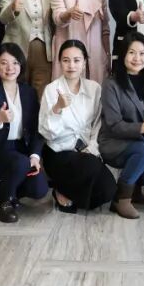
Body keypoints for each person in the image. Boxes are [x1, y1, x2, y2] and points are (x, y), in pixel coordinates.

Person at [0, 43, 49, 223]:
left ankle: (4, 190)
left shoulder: (29, 92)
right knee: (20, 162)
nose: (10, 68)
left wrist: (35, 156)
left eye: (15, 63)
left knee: (39, 188)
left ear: (21, 65)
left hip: (21, 150)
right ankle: (3, 202)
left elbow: (36, 129)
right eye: (4, 63)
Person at [38, 40, 116, 213]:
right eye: (66, 60)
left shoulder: (94, 88)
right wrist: (57, 108)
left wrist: (92, 148)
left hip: (86, 152)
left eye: (76, 60)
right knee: (91, 166)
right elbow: (48, 134)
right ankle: (62, 187)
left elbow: (98, 125)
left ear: (84, 63)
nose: (71, 65)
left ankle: (64, 191)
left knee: (108, 190)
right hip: (58, 153)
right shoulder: (52, 89)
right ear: (60, 63)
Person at [98, 31, 144, 219]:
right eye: (131, 53)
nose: (137, 58)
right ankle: (122, 199)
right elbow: (113, 124)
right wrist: (140, 128)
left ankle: (132, 180)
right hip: (114, 142)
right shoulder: (111, 84)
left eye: (142, 53)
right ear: (123, 55)